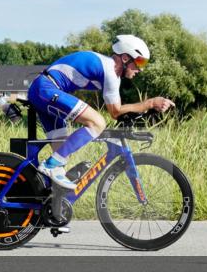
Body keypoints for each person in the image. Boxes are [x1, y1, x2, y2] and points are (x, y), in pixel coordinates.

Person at [27, 35, 175, 190]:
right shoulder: (110, 71)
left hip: (43, 90)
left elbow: (119, 109)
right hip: (46, 89)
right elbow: (115, 111)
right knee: (97, 123)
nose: (141, 68)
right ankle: (50, 166)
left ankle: (45, 198)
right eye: (139, 62)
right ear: (125, 58)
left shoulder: (111, 72)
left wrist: (147, 109)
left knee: (63, 153)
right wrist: (150, 103)